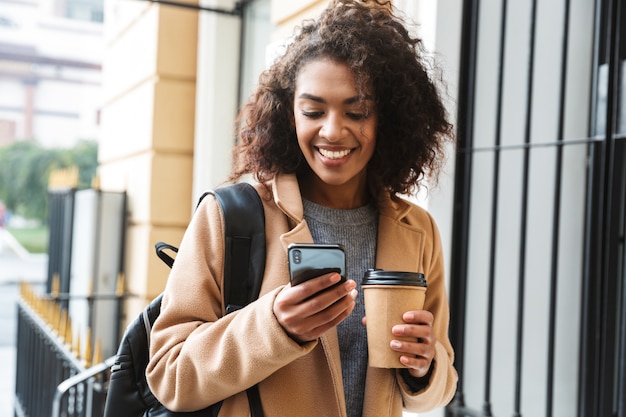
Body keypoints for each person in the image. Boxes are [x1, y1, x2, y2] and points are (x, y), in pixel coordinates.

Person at [146, 1, 458, 416]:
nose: (332, 130)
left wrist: (424, 367)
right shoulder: (230, 217)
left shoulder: (417, 229)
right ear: (288, 114)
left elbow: (441, 385)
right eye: (313, 111)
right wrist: (274, 326)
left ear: (389, 117)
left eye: (357, 111)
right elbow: (170, 374)